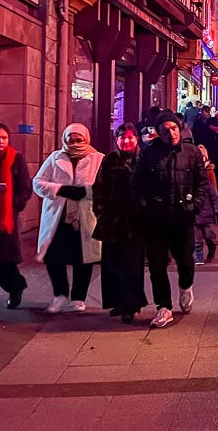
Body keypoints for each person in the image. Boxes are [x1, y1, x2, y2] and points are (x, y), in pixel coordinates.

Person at [133, 111, 209, 329]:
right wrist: (145, 206)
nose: (171, 133)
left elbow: (202, 182)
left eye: (174, 128)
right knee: (157, 264)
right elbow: (137, 184)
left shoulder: (191, 152)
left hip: (182, 215)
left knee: (185, 258)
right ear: (159, 133)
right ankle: (163, 306)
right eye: (166, 130)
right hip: (156, 217)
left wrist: (194, 205)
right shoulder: (148, 154)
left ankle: (186, 287)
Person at [33, 123, 102, 313]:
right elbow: (37, 183)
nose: (74, 143)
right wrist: (60, 189)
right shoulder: (56, 157)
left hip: (85, 218)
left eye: (78, 139)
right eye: (71, 140)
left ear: (86, 139)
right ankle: (60, 295)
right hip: (58, 218)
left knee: (83, 259)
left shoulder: (98, 159)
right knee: (54, 258)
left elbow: (105, 186)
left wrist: (86, 192)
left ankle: (79, 298)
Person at [92, 124, 148, 323]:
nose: (126, 141)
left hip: (135, 220)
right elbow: (99, 185)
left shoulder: (143, 160)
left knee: (132, 263)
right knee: (112, 262)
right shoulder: (109, 160)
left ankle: (132, 303)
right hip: (112, 219)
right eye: (122, 137)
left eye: (130, 137)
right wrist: (99, 208)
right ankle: (117, 301)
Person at [0, 123, 33, 308]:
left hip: (7, 218)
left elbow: (26, 188)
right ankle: (15, 286)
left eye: (3, 138)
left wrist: (14, 203)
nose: (0, 141)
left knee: (6, 261)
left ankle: (16, 287)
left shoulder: (16, 159)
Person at [192, 145, 218, 265]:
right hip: (194, 215)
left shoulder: (206, 182)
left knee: (210, 237)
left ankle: (211, 250)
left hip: (207, 215)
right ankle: (199, 258)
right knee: (197, 239)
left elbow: (214, 197)